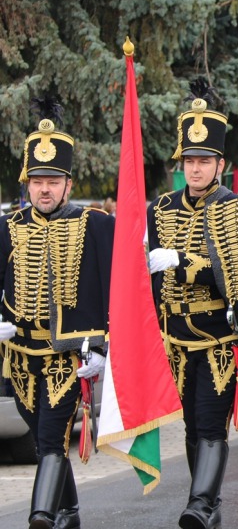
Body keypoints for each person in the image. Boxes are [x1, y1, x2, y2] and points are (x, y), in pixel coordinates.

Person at [146, 80, 238, 529]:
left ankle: (200, 505)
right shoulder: (160, 209)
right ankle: (206, 500)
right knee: (189, 425)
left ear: (220, 164)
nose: (196, 168)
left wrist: (187, 263)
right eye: (190, 161)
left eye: (204, 161)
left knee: (209, 422)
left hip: (221, 336)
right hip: (173, 339)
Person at [0, 97, 114, 528]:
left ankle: (41, 515)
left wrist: (104, 345)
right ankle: (69, 511)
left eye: (53, 180)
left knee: (50, 438)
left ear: (68, 183)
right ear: (26, 184)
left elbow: (114, 293)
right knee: (41, 438)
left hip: (69, 357)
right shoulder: (8, 228)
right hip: (22, 360)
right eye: (37, 181)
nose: (44, 189)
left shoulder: (97, 225)